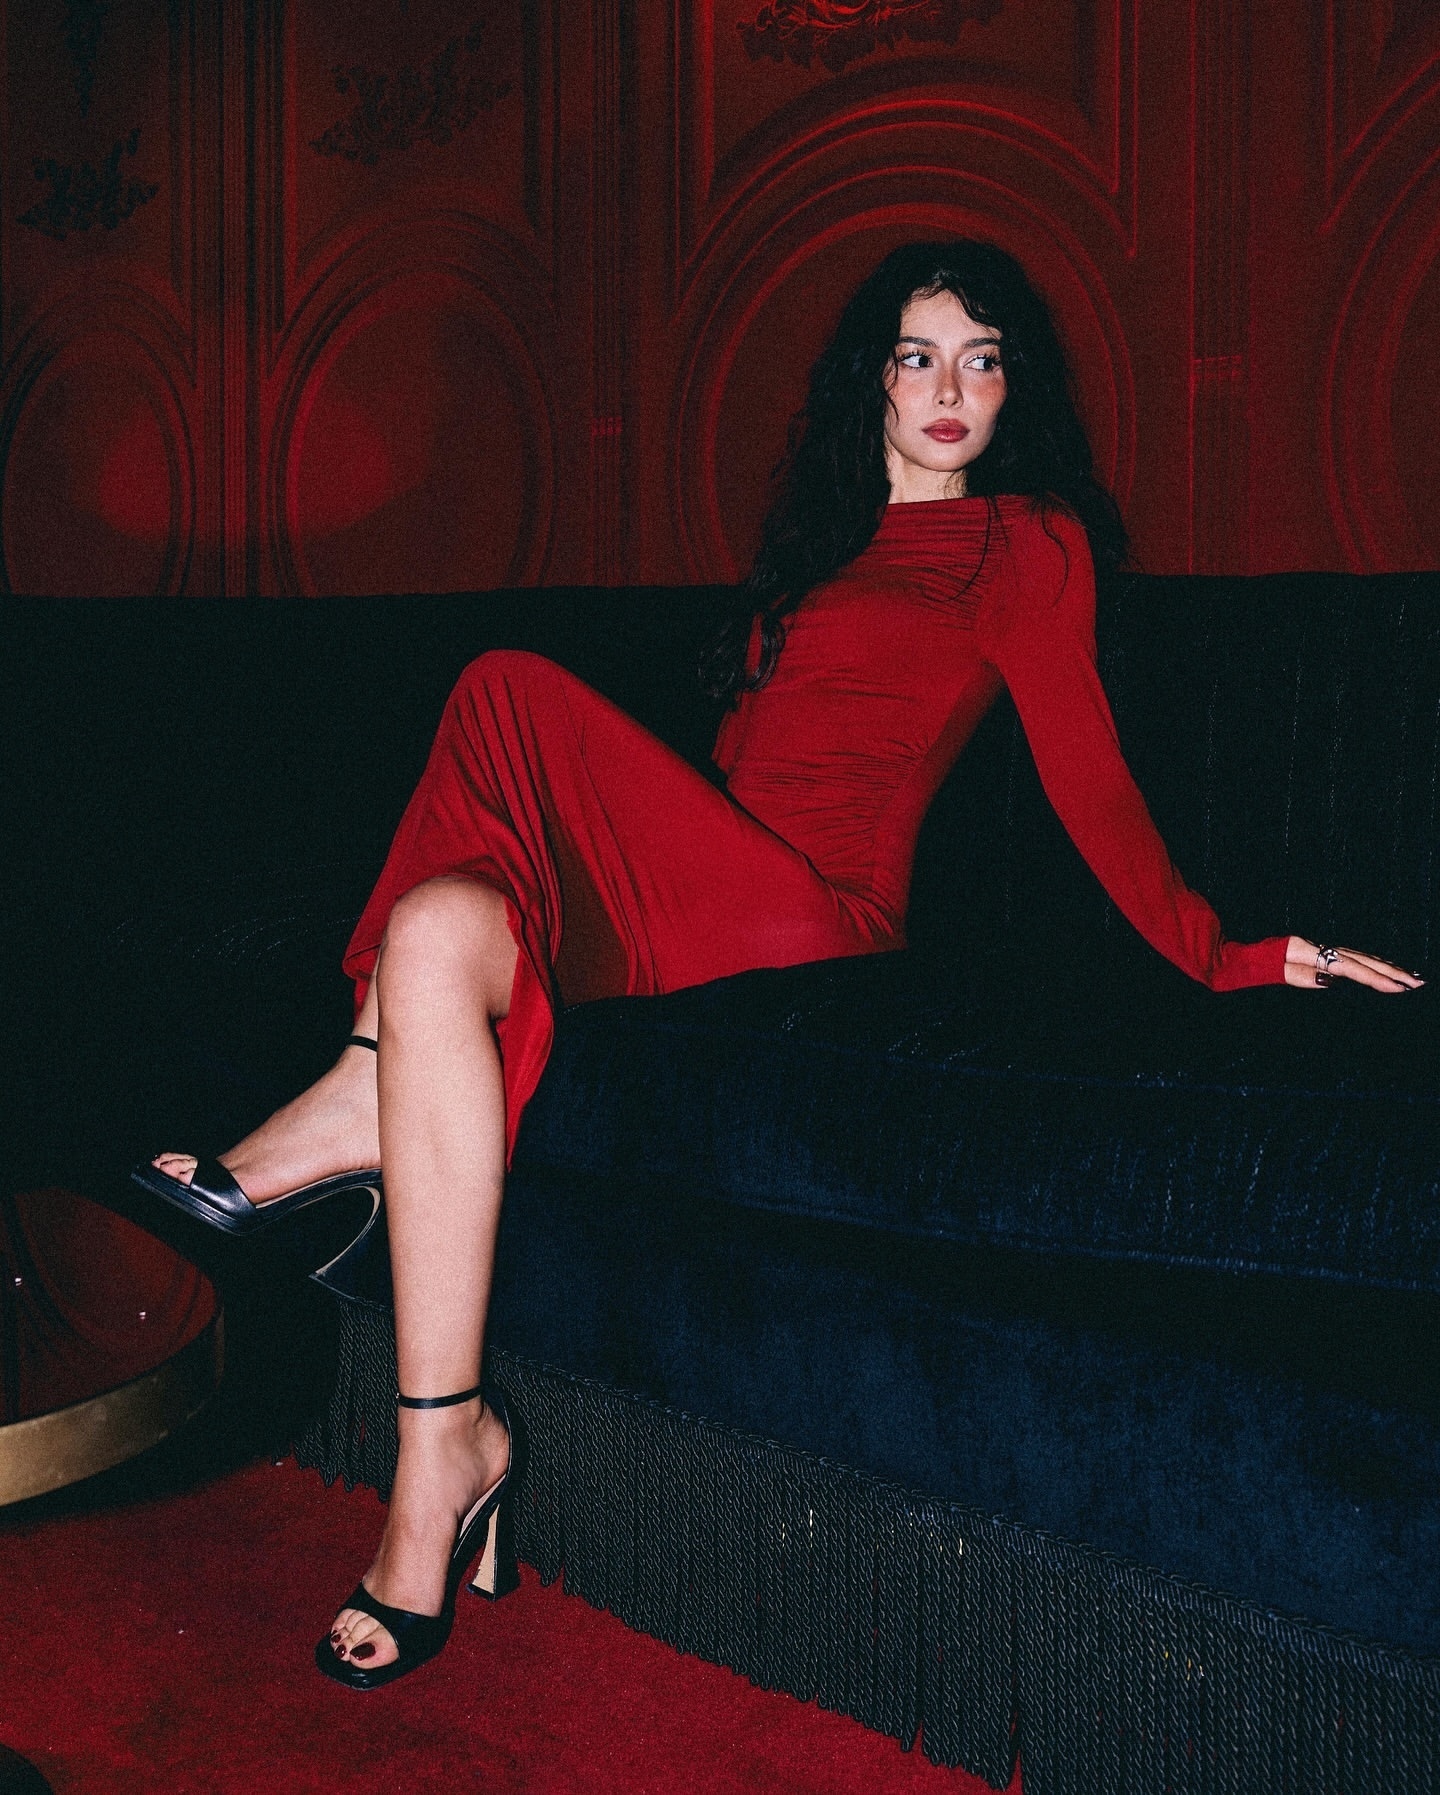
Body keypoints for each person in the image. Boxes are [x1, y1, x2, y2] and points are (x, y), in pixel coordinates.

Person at [133, 240, 1421, 1689]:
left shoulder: (1023, 542)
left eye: (983, 360)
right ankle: (448, 1445)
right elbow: (729, 785)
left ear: (1013, 393)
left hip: (819, 919)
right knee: (437, 923)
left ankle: (357, 1089)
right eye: (919, 357)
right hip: (703, 902)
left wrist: (1239, 955)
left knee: (502, 689)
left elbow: (1092, 782)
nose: (951, 388)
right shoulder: (812, 564)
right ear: (874, 382)